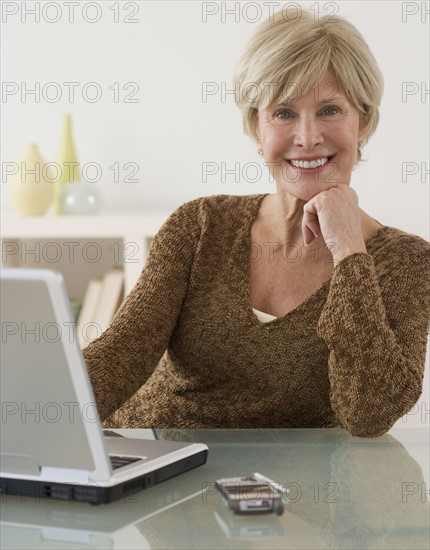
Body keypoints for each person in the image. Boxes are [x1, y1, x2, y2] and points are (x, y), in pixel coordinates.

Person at [83, 9, 430, 437]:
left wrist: (349, 252)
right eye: (283, 113)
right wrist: (34, 413)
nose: (307, 137)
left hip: (288, 496)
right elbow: (120, 355)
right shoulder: (199, 226)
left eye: (329, 110)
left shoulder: (406, 261)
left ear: (364, 123)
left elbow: (369, 413)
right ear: (256, 126)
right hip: (157, 460)